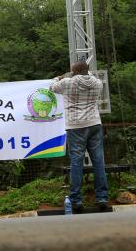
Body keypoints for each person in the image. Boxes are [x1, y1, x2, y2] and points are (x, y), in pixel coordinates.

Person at [50, 61, 108, 212]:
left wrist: (58, 78)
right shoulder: (97, 83)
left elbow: (52, 87)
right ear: (87, 70)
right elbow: (89, 77)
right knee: (99, 162)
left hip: (76, 127)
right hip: (95, 124)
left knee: (76, 163)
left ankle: (76, 199)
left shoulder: (67, 83)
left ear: (73, 71)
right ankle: (102, 198)